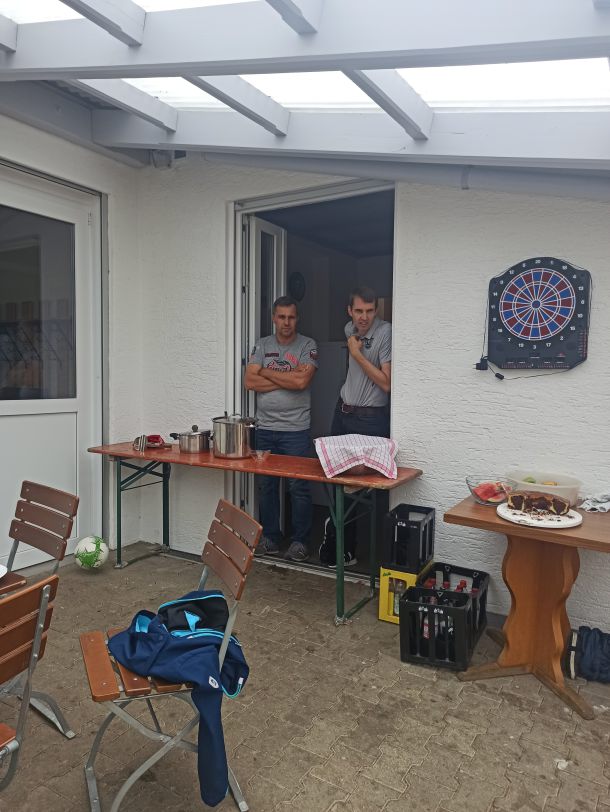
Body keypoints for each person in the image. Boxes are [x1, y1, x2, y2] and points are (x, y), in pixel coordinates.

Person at [321, 285, 392, 567]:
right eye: (359, 311)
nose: (364, 317)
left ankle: (355, 550)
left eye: (370, 311)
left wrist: (357, 354)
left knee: (361, 490)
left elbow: (387, 383)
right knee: (336, 481)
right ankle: (340, 546)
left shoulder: (385, 332)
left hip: (369, 419)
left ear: (376, 310)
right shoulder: (348, 328)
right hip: (342, 413)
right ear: (349, 311)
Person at [245, 296, 318, 562]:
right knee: (267, 486)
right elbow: (249, 381)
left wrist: (266, 372)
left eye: (291, 317)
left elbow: (301, 383)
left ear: (297, 318)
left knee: (298, 487)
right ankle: (271, 538)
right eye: (282, 317)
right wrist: (288, 377)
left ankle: (300, 541)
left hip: (295, 429)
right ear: (274, 318)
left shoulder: (307, 345)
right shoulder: (262, 345)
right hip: (265, 428)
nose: (287, 322)